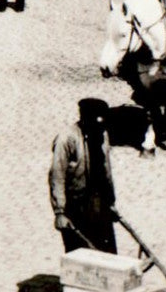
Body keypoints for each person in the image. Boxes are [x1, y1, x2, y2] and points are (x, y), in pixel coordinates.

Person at [49, 98, 117, 254]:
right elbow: (57, 176)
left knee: (108, 253)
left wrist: (110, 201)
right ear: (84, 119)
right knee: (80, 254)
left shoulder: (102, 134)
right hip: (76, 205)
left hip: (100, 203)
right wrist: (60, 212)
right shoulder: (66, 139)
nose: (100, 128)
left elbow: (106, 170)